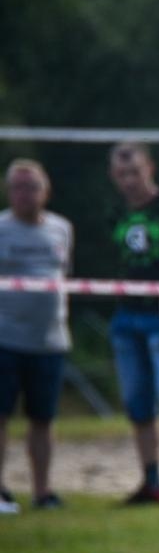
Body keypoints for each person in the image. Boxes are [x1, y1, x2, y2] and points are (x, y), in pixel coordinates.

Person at [106, 142, 159, 504]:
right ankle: (151, 481)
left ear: (151, 169)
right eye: (122, 174)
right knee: (137, 402)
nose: (129, 181)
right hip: (127, 317)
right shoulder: (114, 215)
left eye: (135, 172)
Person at [0, 159, 73, 514]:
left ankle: (43, 491)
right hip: (5, 339)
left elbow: (65, 275)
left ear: (46, 191)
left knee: (43, 419)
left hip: (50, 341)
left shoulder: (61, 229)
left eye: (31, 187)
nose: (23, 194)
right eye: (16, 187)